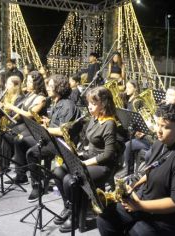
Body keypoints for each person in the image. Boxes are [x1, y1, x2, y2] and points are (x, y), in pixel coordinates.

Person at [97, 104, 175, 236]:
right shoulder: (160, 143)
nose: (158, 131)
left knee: (137, 231)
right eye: (158, 124)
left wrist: (139, 206)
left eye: (165, 127)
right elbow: (152, 170)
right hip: (145, 201)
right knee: (105, 219)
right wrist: (134, 185)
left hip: (167, 218)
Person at [52, 86, 122, 232]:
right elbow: (88, 141)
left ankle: (77, 215)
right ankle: (69, 206)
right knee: (58, 172)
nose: (89, 106)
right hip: (88, 158)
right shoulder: (94, 118)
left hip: (103, 165)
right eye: (89, 103)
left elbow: (108, 154)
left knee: (70, 180)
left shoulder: (109, 123)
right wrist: (77, 151)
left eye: (93, 103)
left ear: (103, 104)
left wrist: (84, 163)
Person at [24, 74, 82, 202]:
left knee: (31, 154)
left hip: (62, 145)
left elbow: (63, 131)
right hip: (53, 140)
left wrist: (46, 129)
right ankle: (39, 183)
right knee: (27, 146)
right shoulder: (57, 102)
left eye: (50, 86)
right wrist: (49, 122)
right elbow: (59, 122)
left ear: (59, 87)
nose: (48, 88)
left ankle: (38, 187)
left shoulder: (67, 105)